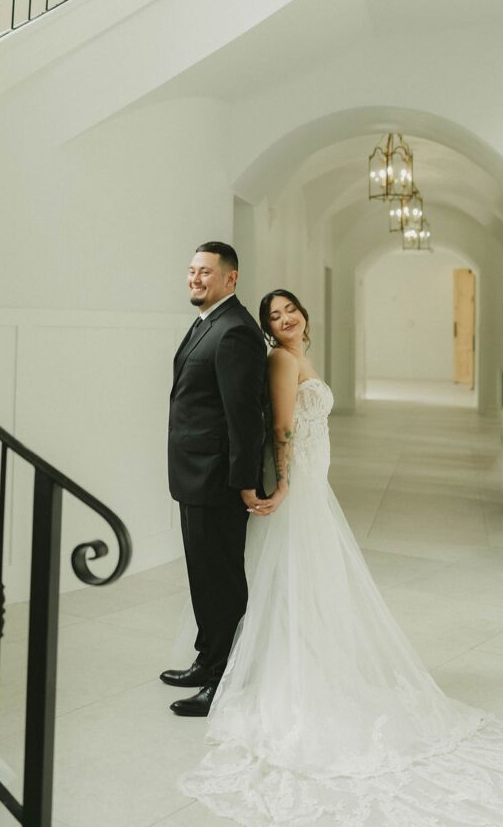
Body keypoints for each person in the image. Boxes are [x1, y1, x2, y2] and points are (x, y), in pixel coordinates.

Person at [179, 288, 503, 824]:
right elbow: (282, 428)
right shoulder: (282, 359)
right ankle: (268, 665)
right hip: (297, 482)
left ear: (304, 315)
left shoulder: (300, 354)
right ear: (266, 327)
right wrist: (282, 485)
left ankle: (301, 654)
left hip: (313, 478)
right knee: (296, 570)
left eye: (290, 311)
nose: (284, 320)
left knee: (311, 573)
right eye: (274, 316)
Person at [161, 242, 267, 717]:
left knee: (222, 580)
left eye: (205, 272)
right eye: (191, 271)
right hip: (193, 475)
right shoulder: (208, 322)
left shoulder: (236, 331)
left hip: (217, 479)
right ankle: (207, 661)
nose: (195, 279)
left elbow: (243, 416)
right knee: (203, 576)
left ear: (231, 278)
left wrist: (244, 480)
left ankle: (224, 677)